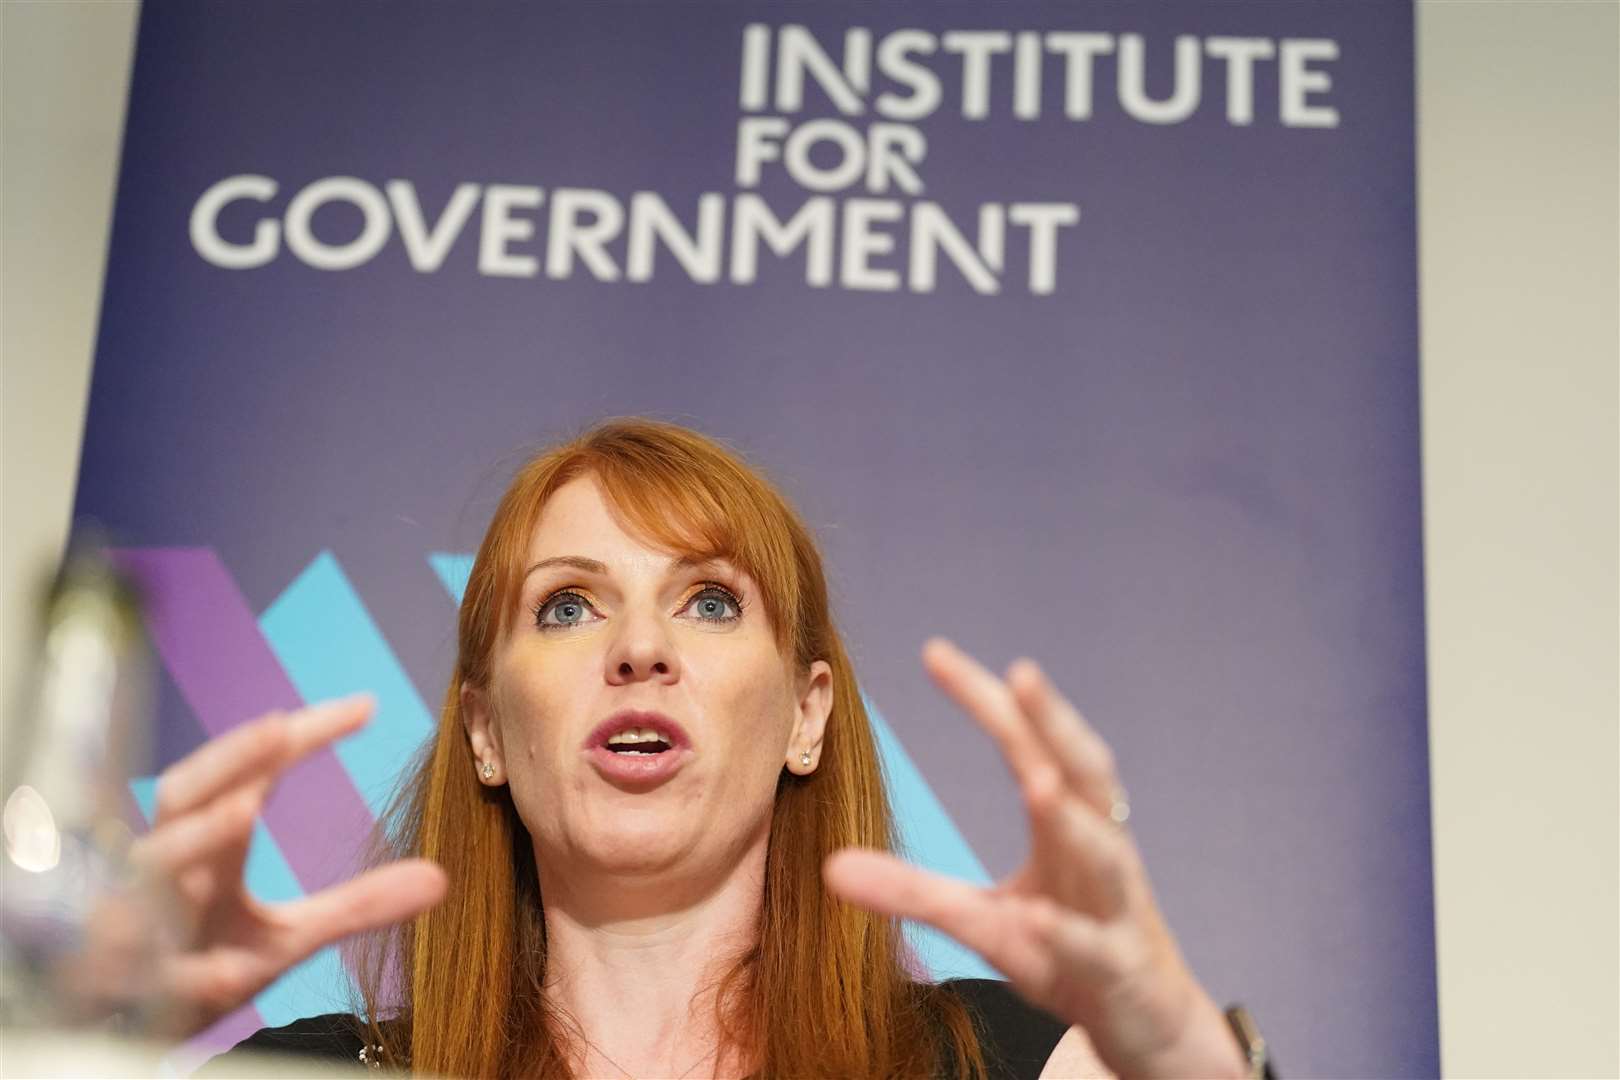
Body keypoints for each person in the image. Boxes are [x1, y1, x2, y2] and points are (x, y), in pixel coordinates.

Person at [137, 418, 1257, 1078]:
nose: (638, 648)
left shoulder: (998, 1064)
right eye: (567, 606)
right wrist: (97, 1033)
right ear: (484, 731)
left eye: (711, 603)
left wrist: (1179, 1049)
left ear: (807, 715)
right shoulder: (323, 1077)